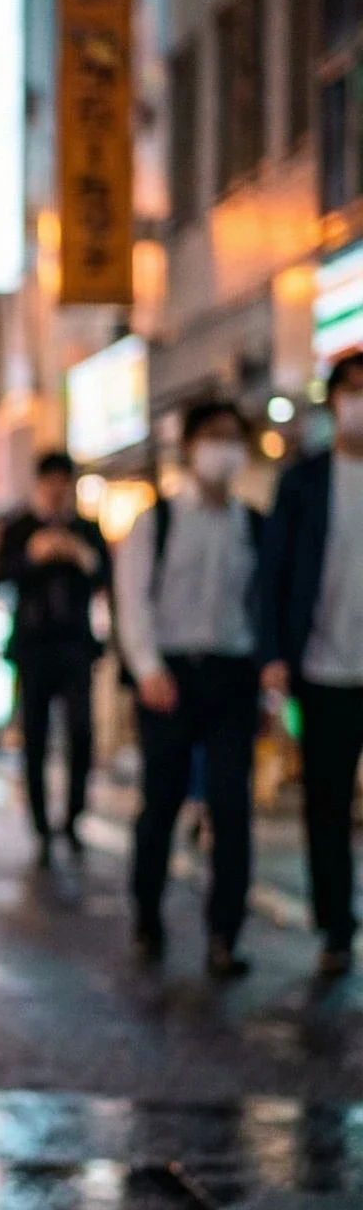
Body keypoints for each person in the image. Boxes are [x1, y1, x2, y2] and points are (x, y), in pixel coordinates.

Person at [115, 401, 265, 977]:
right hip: (170, 677)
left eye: (233, 437)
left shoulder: (253, 523)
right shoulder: (157, 520)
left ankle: (224, 935)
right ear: (189, 447)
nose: (224, 449)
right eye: (213, 437)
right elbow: (133, 603)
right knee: (162, 803)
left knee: (232, 809)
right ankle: (147, 917)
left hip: (232, 676)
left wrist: (264, 685)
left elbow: (260, 607)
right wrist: (149, 667)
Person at [261, 347, 363, 979]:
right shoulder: (302, 480)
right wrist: (274, 655)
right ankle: (335, 926)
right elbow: (274, 574)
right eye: (350, 390)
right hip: (323, 670)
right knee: (325, 804)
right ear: (332, 402)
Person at [0, 451, 109, 864]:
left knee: (81, 733)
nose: (59, 489)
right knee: (36, 738)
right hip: (33, 648)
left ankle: (74, 818)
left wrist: (82, 556)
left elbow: (106, 578)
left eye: (65, 481)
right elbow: (0, 576)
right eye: (52, 481)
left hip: (77, 646)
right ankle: (41, 825)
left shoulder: (87, 529)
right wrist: (33, 555)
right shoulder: (21, 527)